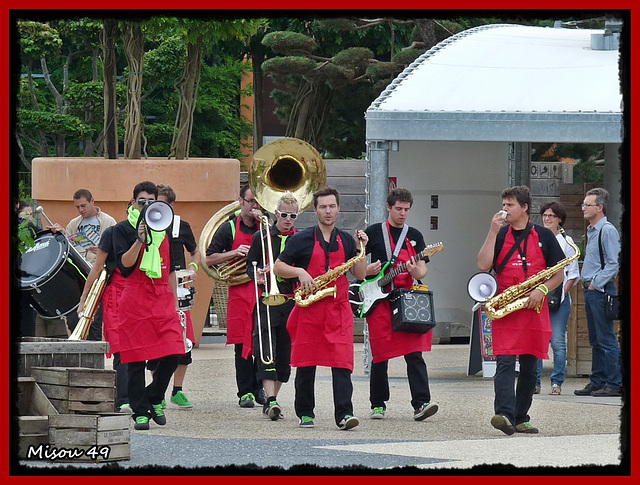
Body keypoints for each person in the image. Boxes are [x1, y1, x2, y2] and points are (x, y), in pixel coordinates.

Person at [273, 187, 368, 430]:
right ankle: (305, 413)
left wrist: (361, 250)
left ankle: (345, 415)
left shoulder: (347, 239)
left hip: (338, 310)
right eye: (323, 207)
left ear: (338, 209)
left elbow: (359, 273)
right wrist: (300, 272)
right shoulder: (301, 239)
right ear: (315, 210)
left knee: (342, 364)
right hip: (310, 311)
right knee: (305, 363)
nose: (328, 211)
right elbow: (278, 267)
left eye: (332, 206)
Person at [478, 185, 565, 435]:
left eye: (510, 205)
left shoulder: (543, 235)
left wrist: (542, 291)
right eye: (504, 204)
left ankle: (521, 416)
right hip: (506, 305)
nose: (504, 209)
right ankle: (503, 414)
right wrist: (492, 232)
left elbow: (559, 273)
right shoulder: (500, 234)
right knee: (504, 361)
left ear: (524, 207)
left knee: (530, 364)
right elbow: (483, 265)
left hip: (534, 306)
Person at [112, 181, 185, 430]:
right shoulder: (121, 229)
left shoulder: (166, 229)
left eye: (151, 202)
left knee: (175, 352)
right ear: (133, 203)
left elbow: (173, 270)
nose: (146, 205)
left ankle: (153, 396)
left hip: (162, 297)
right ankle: (140, 412)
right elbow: (124, 265)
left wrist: (174, 302)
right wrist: (140, 240)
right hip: (135, 299)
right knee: (135, 360)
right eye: (141, 201)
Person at [363, 188, 438, 422]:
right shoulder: (373, 232)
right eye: (398, 209)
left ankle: (421, 403)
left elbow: (423, 268)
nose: (403, 213)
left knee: (414, 351)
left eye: (406, 210)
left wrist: (419, 271)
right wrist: (366, 271)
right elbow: (356, 264)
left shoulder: (414, 235)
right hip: (379, 299)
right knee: (380, 354)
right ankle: (378, 404)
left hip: (406, 297)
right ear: (388, 207)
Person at [205, 184, 266, 408]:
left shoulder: (267, 227)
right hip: (240, 290)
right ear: (240, 202)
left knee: (262, 342)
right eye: (250, 202)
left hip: (262, 289)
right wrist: (234, 252)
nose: (254, 207)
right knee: (241, 343)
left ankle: (260, 388)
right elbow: (208, 259)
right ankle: (245, 391)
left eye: (257, 203)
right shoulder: (228, 228)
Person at [146, 184, 201, 409]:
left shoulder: (181, 225)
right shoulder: (146, 225)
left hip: (178, 287)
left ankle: (177, 390)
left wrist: (193, 268)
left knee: (183, 340)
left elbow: (195, 251)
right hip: (154, 288)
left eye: (164, 204)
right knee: (154, 340)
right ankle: (156, 390)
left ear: (172, 204)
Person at [246, 193, 298, 421]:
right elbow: (250, 264)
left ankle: (271, 400)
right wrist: (256, 274)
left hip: (291, 299)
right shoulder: (261, 236)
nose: (288, 219)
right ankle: (272, 400)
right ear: (276, 214)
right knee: (265, 348)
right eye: (284, 214)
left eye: (293, 215)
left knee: (285, 355)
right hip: (267, 297)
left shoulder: (301, 238)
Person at [46, 189, 117, 341]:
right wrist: (61, 234)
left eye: (83, 206)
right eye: (77, 207)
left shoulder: (108, 222)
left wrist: (104, 251)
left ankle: (94, 358)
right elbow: (68, 247)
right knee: (74, 319)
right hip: (79, 275)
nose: (81, 210)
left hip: (98, 276)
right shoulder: (74, 223)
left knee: (95, 321)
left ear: (93, 201)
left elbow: (117, 250)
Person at [77, 223, 131, 413]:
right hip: (117, 294)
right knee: (121, 347)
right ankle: (123, 398)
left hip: (139, 292)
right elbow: (98, 266)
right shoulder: (112, 232)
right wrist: (84, 297)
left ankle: (141, 396)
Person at [574, 188, 622, 397]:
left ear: (600, 207)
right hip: (591, 290)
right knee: (595, 338)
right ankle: (598, 380)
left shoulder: (607, 230)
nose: (583, 208)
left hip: (600, 290)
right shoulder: (592, 231)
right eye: (584, 204)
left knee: (606, 338)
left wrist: (595, 283)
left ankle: (614, 383)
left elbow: (613, 263)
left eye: (588, 204)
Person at [535, 201, 580, 396]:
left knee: (558, 342)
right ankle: (534, 382)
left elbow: (573, 274)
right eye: (545, 215)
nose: (547, 219)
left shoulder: (567, 242)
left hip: (559, 299)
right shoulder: (536, 238)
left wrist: (562, 294)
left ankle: (557, 382)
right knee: (536, 342)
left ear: (559, 219)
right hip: (538, 296)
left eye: (551, 215)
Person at [15, 200, 39, 337]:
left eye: (31, 214)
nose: (29, 218)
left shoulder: (30, 228)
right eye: (26, 214)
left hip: (25, 277)